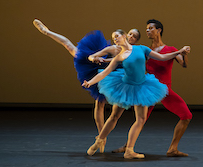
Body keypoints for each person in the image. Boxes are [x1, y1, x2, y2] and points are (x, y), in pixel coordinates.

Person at [32, 19, 140, 153]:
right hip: (97, 67)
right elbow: (95, 57)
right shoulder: (114, 48)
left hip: (111, 76)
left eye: (134, 36)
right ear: (124, 35)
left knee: (104, 106)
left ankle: (102, 137)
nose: (131, 37)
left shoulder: (134, 51)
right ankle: (47, 31)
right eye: (129, 34)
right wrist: (94, 58)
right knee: (70, 46)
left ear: (136, 40)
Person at [82, 29, 190, 159]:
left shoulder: (141, 48)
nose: (115, 39)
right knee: (114, 116)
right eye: (113, 38)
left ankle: (129, 151)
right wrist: (90, 82)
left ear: (123, 36)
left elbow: (162, 57)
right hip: (125, 87)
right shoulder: (119, 56)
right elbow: (104, 73)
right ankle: (99, 141)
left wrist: (179, 52)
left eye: (117, 36)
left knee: (141, 119)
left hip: (142, 87)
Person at [112, 19, 192, 157]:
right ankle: (127, 147)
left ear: (159, 30)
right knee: (141, 120)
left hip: (164, 90)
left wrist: (184, 53)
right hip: (148, 90)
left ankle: (173, 148)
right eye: (147, 29)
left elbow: (183, 64)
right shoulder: (145, 50)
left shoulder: (170, 49)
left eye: (150, 28)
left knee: (186, 116)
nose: (147, 31)